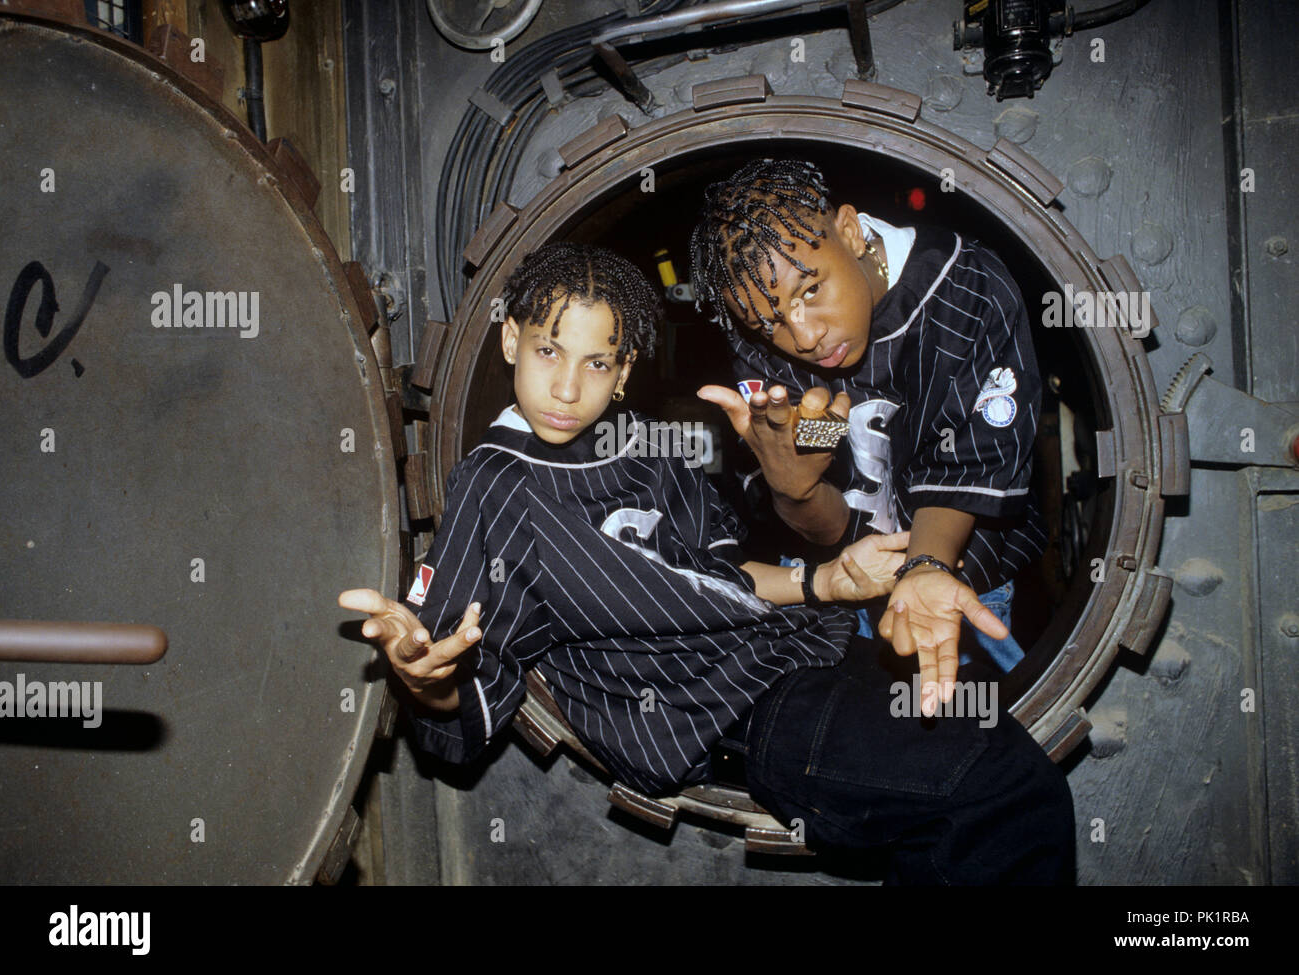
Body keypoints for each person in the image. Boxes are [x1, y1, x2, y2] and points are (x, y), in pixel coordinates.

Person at [340, 241, 1074, 884]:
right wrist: (422, 677)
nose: (567, 387)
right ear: (509, 341)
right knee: (1002, 789)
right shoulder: (494, 485)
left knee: (983, 768)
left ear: (624, 369)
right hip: (735, 714)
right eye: (548, 350)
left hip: (806, 653)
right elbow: (462, 685)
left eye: (597, 361)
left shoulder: (646, 452)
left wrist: (826, 580)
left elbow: (722, 579)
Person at [691, 158, 1048, 684]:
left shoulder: (966, 292)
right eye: (770, 322)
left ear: (851, 232)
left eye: (810, 290)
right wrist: (795, 491)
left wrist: (926, 567)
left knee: (973, 743)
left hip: (962, 584)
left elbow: (970, 467)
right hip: (838, 589)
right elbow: (831, 513)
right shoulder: (763, 335)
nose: (804, 336)